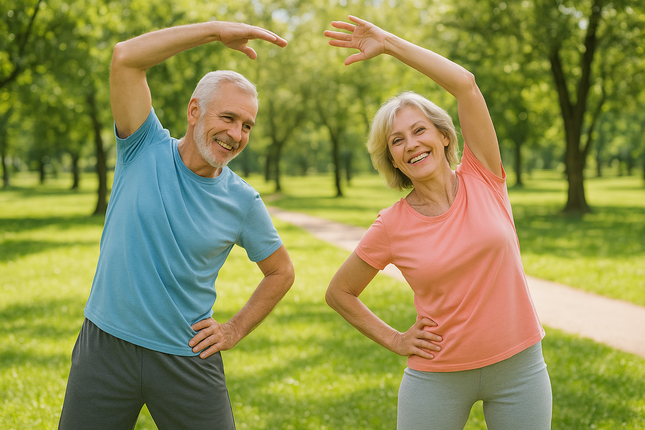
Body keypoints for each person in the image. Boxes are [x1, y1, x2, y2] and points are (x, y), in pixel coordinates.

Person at [58, 21, 294, 430]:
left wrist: (233, 330)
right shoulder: (142, 145)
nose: (237, 134)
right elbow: (126, 57)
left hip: (187, 357)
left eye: (247, 125)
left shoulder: (242, 201)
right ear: (194, 110)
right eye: (229, 117)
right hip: (105, 349)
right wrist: (216, 32)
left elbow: (281, 272)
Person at [324, 16, 552, 430]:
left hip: (519, 368)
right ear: (393, 159)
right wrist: (396, 339)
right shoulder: (391, 224)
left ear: (444, 136)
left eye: (419, 130)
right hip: (437, 376)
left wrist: (390, 43)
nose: (411, 143)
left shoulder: (484, 175)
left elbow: (464, 83)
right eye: (397, 140)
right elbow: (340, 293)